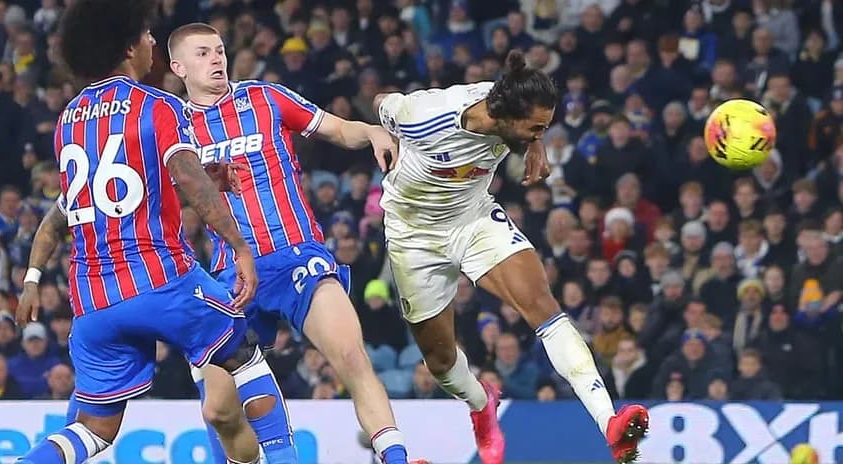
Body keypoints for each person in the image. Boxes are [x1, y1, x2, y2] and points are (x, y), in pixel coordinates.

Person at [372, 49, 649, 464]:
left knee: (543, 305)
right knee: (441, 361)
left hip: (473, 218)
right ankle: (482, 404)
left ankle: (610, 423)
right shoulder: (426, 115)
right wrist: (378, 133)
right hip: (414, 235)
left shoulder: (513, 116)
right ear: (506, 117)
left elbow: (528, 134)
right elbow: (382, 103)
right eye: (537, 129)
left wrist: (533, 145)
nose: (543, 135)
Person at [15, 2, 261, 463]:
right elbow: (186, 178)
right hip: (159, 277)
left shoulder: (70, 118)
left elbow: (74, 208)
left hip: (92, 301)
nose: (153, 43)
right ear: (128, 47)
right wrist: (240, 246)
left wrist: (31, 278)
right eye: (147, 36)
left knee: (93, 431)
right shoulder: (159, 105)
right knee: (244, 353)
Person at [167, 23, 418, 464]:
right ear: (179, 67)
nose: (217, 59)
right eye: (203, 53)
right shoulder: (172, 128)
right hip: (233, 274)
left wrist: (372, 132)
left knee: (351, 356)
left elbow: (339, 130)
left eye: (220, 51)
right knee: (219, 411)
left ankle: (395, 456)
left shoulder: (265, 98)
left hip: (296, 255)